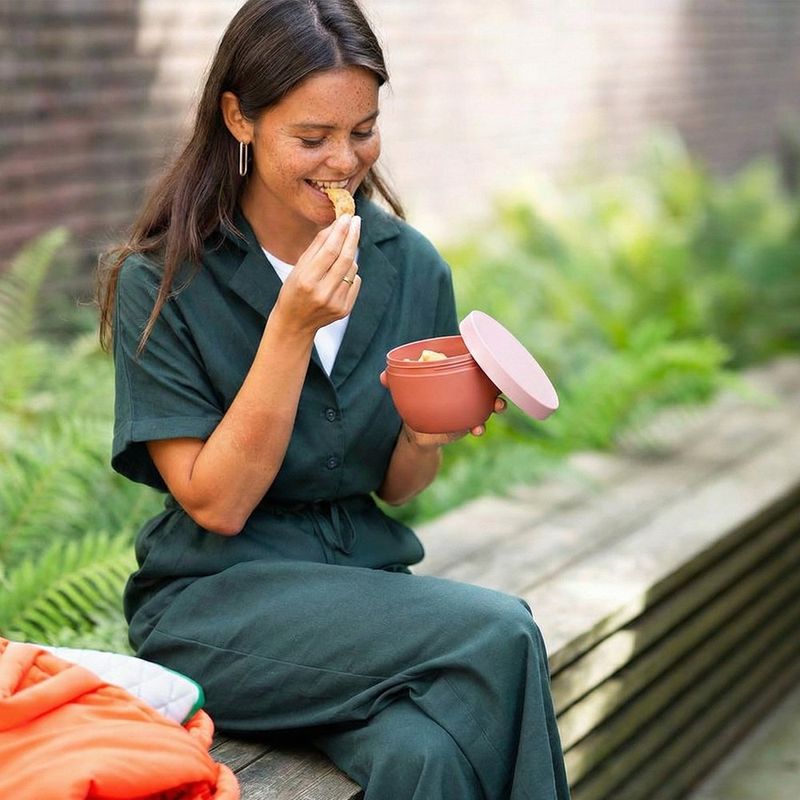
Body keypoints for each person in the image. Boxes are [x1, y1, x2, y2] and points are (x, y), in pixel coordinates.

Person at [98, 1, 571, 797]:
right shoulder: (165, 279)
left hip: (363, 600)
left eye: (364, 131)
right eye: (312, 138)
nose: (343, 161)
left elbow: (395, 486)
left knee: (422, 758)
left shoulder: (409, 266)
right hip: (220, 612)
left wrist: (424, 436)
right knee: (503, 630)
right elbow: (215, 504)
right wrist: (289, 329)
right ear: (239, 119)